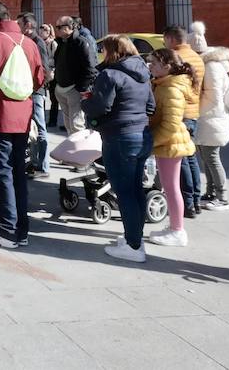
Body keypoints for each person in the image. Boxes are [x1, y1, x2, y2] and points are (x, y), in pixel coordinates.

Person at [0, 3, 45, 250]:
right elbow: (40, 78)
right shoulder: (30, 43)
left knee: (1, 171)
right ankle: (20, 230)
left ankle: (6, 230)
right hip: (23, 115)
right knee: (18, 173)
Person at [82, 35, 156, 263]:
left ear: (113, 51)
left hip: (119, 137)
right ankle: (135, 237)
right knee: (135, 190)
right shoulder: (143, 74)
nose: (102, 54)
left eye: (104, 50)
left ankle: (134, 247)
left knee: (125, 192)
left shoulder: (110, 74)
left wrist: (86, 101)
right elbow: (151, 106)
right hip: (142, 135)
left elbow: (99, 106)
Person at [146, 48, 198, 248]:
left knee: (171, 187)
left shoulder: (170, 89)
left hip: (171, 144)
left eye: (154, 63)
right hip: (168, 143)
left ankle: (178, 230)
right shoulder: (163, 83)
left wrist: (150, 142)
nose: (150, 66)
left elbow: (171, 125)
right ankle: (175, 226)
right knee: (170, 187)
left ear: (166, 67)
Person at [163, 25, 206, 219]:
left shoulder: (175, 58)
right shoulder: (196, 56)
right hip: (193, 110)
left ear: (171, 39)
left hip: (179, 112)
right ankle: (195, 200)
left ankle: (187, 203)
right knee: (190, 157)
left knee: (181, 161)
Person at [195, 36, 229, 211]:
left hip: (211, 119)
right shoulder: (210, 65)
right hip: (208, 118)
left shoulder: (211, 67)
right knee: (206, 157)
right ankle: (210, 192)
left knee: (212, 158)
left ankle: (222, 196)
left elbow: (214, 97)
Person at [18, 13, 51, 176]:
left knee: (39, 127)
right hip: (29, 90)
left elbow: (43, 68)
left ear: (28, 26)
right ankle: (35, 162)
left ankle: (43, 165)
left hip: (36, 91)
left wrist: (36, 88)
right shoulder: (27, 41)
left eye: (20, 24)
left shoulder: (38, 43)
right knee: (33, 128)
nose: (18, 27)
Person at [52, 16, 97, 136]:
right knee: (68, 125)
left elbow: (91, 68)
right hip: (61, 88)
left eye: (59, 27)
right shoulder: (61, 42)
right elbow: (57, 62)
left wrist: (81, 89)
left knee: (77, 126)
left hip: (74, 89)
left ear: (69, 27)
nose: (57, 30)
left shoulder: (81, 42)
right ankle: (71, 151)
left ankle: (79, 153)